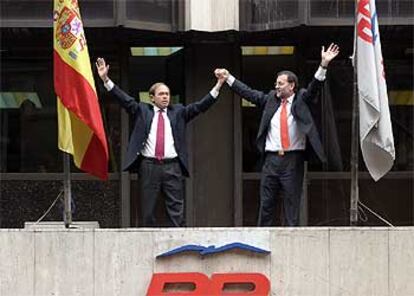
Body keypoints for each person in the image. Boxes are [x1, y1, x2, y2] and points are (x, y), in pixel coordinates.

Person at [215, 43, 340, 226]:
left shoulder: (301, 99)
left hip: (293, 160)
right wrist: (228, 78)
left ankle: (291, 243)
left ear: (292, 85)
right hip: (271, 160)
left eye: (280, 83)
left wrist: (323, 65)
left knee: (291, 204)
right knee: (266, 204)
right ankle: (262, 241)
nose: (277, 87)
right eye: (276, 83)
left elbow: (315, 88)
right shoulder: (270, 100)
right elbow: (248, 93)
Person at [96, 57, 225, 227]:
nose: (165, 97)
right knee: (147, 210)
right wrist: (105, 79)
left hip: (172, 166)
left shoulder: (178, 112)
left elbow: (200, 106)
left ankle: (178, 244)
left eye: (167, 94)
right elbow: (124, 99)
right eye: (161, 94)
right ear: (152, 98)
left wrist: (219, 85)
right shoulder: (143, 110)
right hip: (149, 166)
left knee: (176, 210)